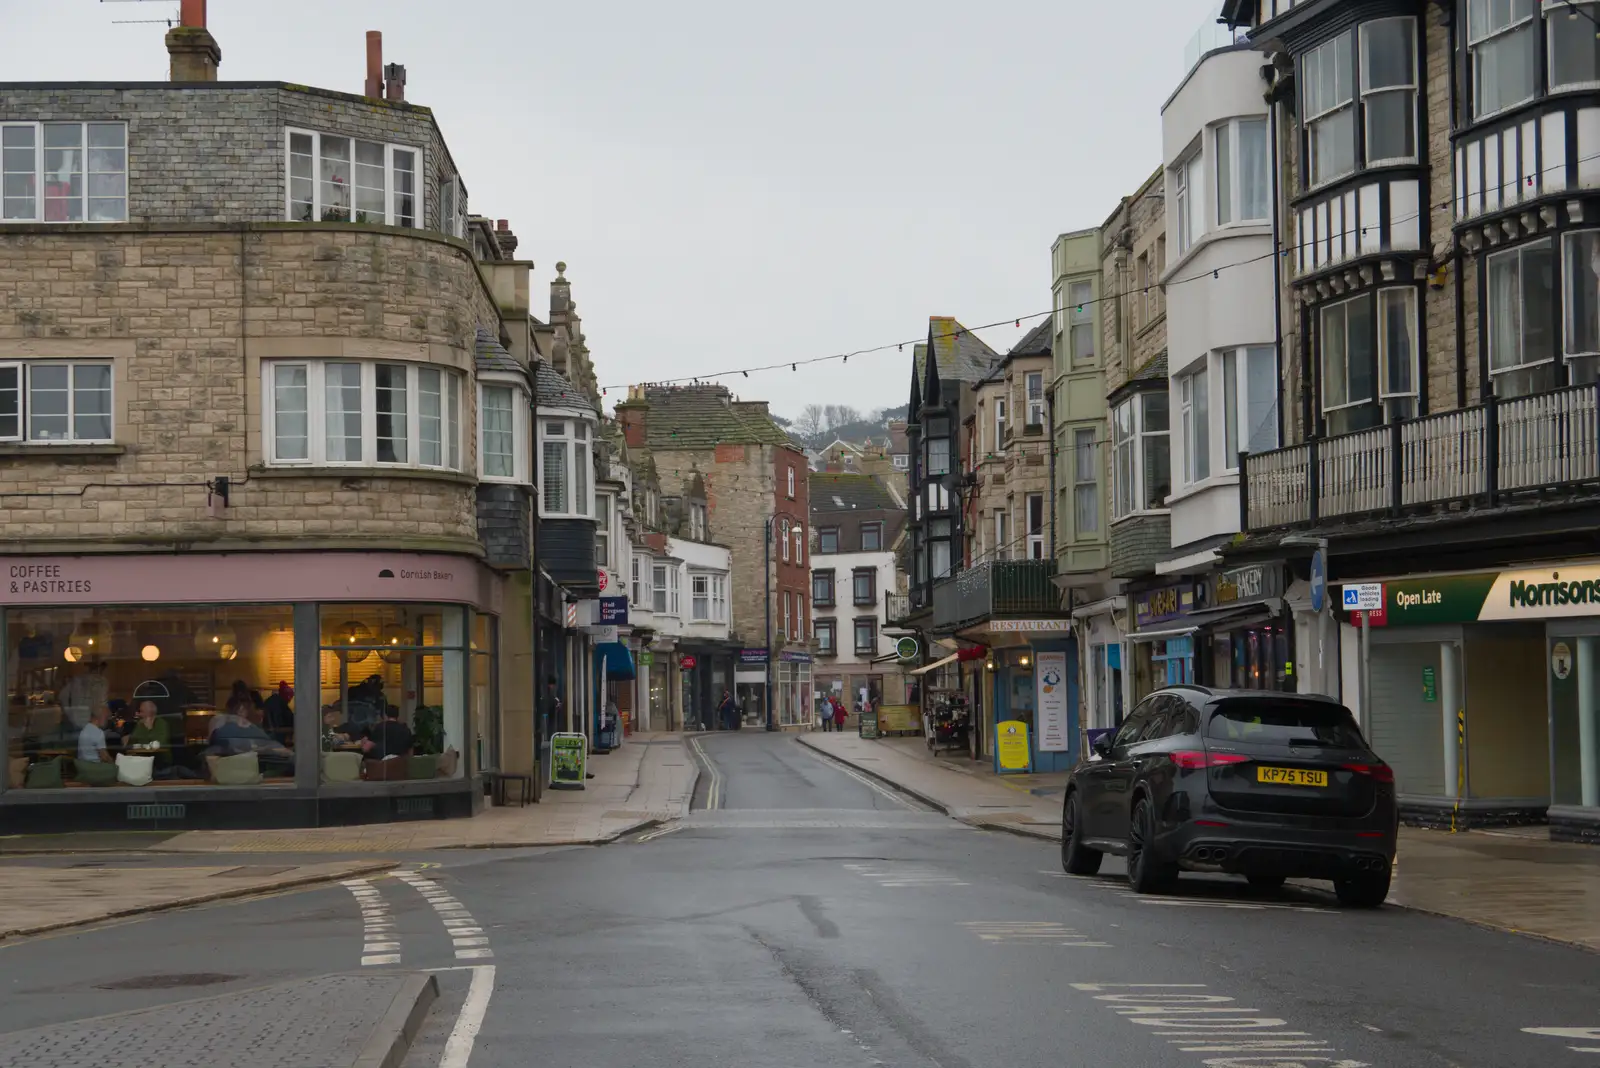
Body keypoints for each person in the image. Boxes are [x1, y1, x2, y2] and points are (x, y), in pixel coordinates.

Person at [60, 662, 109, 730]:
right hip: (82, 723)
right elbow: (63, 696)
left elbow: (63, 697)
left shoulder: (102, 682)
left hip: (86, 723)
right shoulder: (78, 681)